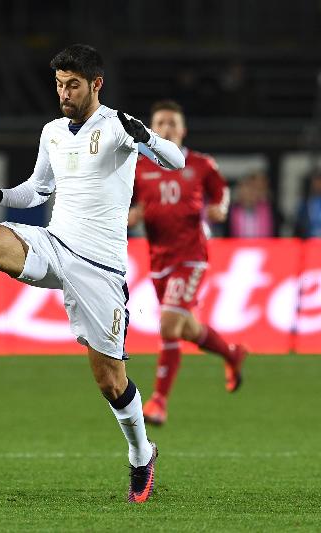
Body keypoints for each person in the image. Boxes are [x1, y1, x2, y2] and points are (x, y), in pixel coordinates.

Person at [0, 44, 185, 503]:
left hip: (101, 267)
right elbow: (38, 190)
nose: (64, 93)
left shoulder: (118, 126)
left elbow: (175, 161)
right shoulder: (52, 132)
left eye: (73, 85)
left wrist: (146, 137)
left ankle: (142, 453)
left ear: (96, 84)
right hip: (55, 243)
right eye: (59, 84)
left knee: (110, 381)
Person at [127, 99, 247, 427]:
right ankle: (232, 353)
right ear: (152, 130)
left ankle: (158, 401)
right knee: (187, 328)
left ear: (183, 130)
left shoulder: (201, 164)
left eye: (172, 123)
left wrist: (221, 208)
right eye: (160, 123)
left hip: (191, 256)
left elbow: (221, 191)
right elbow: (126, 204)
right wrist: (130, 215)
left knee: (169, 325)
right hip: (158, 257)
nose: (167, 128)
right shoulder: (137, 167)